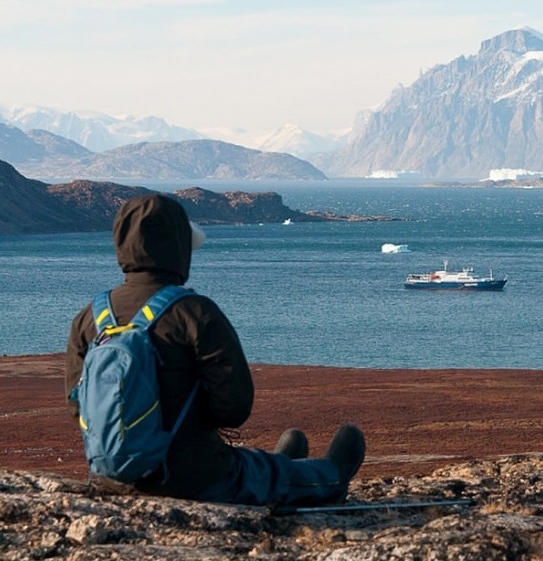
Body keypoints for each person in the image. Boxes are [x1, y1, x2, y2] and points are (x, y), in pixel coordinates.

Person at [65, 194, 365, 505]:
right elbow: (234, 407)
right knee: (251, 474)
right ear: (179, 248)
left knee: (259, 467)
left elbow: (79, 408)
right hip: (193, 480)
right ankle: (331, 475)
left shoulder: (90, 318)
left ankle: (279, 465)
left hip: (109, 479)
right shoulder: (194, 312)